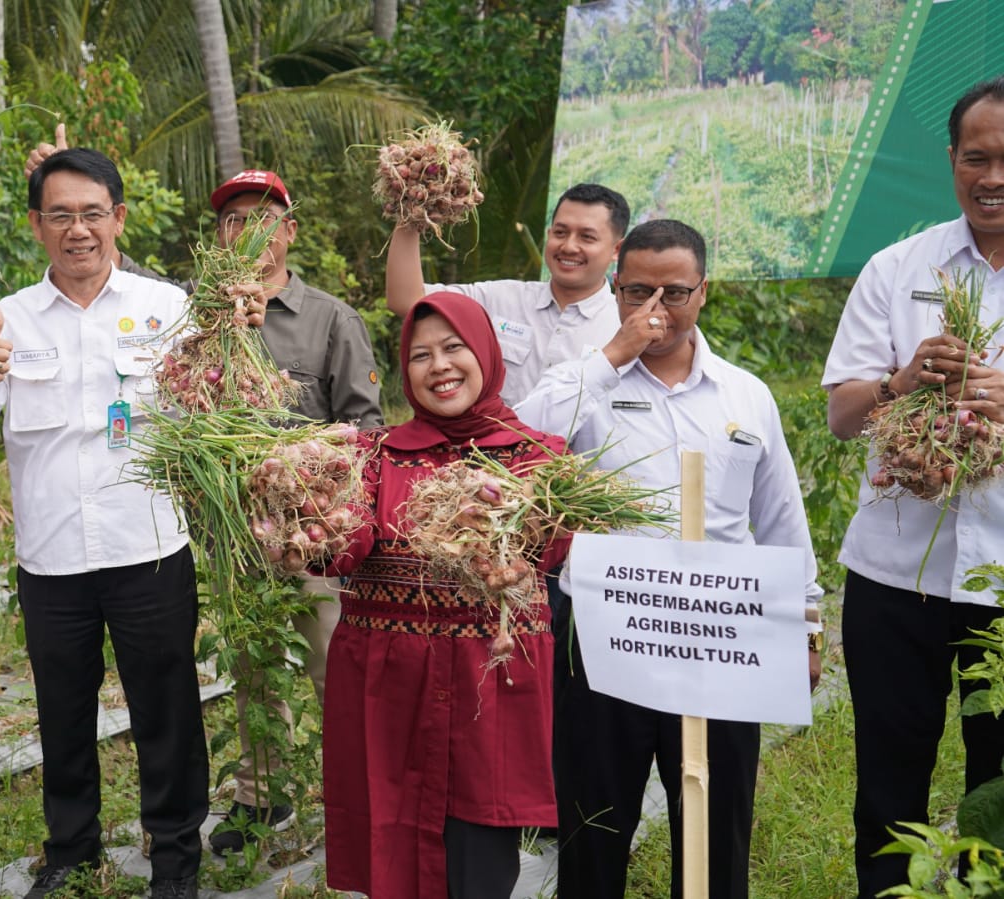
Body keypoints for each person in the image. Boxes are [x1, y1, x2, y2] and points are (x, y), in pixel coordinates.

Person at [514, 219, 822, 899]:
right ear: (615, 291)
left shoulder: (745, 395)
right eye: (636, 291)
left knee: (715, 826)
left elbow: (779, 518)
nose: (656, 309)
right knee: (593, 824)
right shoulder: (583, 384)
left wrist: (805, 623)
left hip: (718, 637)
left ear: (703, 291)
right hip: (605, 637)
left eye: (674, 291)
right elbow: (521, 440)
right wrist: (612, 354)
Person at [0, 148, 208, 899]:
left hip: (149, 546)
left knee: (167, 707)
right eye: (60, 215)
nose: (78, 230)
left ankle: (176, 857)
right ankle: (70, 850)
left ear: (119, 218)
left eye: (93, 213)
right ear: (35, 225)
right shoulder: (5, 319)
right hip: (52, 559)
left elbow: (213, 407)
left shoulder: (168, 309)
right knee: (62, 711)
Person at [820, 75, 1004, 899]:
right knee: (888, 788)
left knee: (997, 796)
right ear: (952, 161)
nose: (991, 176)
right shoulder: (900, 266)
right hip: (898, 582)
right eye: (976, 157)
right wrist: (901, 384)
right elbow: (840, 415)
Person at [321, 293, 566, 899]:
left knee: (481, 848)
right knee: (393, 840)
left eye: (454, 348)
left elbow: (551, 554)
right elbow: (341, 552)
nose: (439, 367)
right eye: (421, 355)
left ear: (484, 352)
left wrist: (508, 526)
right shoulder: (372, 455)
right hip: (389, 682)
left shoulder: (540, 457)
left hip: (490, 683)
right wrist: (304, 509)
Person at [196, 169, 385, 854]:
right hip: (233, 529)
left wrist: (306, 477)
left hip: (310, 535)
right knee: (250, 664)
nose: (248, 231)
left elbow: (365, 429)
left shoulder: (330, 318)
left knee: (332, 664)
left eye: (264, 218)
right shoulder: (202, 314)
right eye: (234, 220)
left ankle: (357, 797)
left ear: (290, 231)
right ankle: (260, 795)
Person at [386, 182, 630, 405]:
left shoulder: (623, 327)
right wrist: (411, 211)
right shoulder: (500, 298)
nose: (568, 246)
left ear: (617, 250)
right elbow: (407, 300)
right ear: (548, 235)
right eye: (560, 233)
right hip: (489, 453)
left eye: (587, 237)